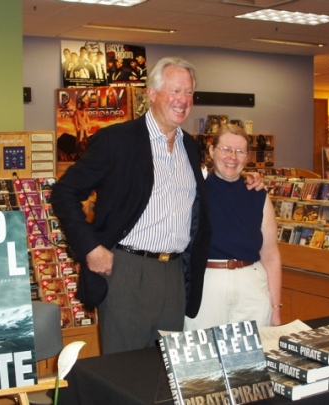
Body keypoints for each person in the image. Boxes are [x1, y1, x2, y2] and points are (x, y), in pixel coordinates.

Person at [51, 57, 262, 355]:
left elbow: (210, 188)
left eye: (189, 93)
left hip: (175, 274)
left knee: (167, 370)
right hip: (127, 270)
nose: (183, 100)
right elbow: (64, 193)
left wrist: (249, 178)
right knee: (127, 371)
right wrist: (90, 247)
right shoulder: (117, 140)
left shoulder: (190, 146)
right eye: (175, 91)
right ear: (152, 93)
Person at [184, 124, 282, 331]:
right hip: (207, 284)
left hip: (252, 286)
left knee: (251, 358)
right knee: (205, 356)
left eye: (240, 152)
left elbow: (271, 255)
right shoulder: (194, 191)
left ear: (247, 157)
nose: (233, 157)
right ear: (211, 151)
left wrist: (276, 309)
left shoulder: (258, 195)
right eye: (226, 149)